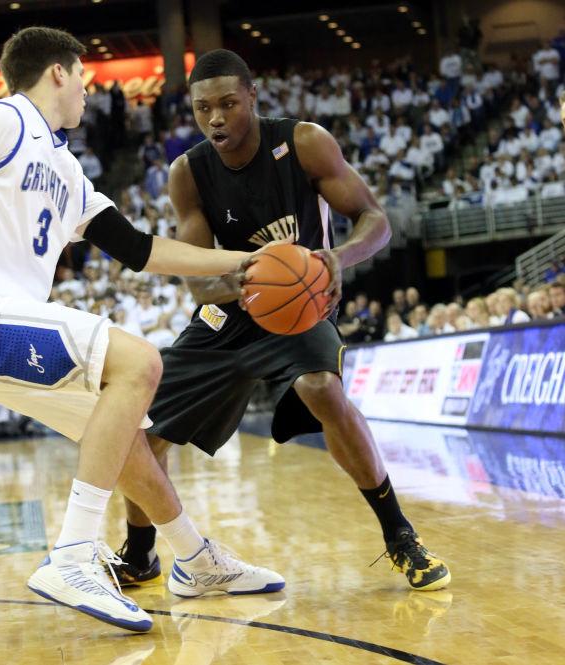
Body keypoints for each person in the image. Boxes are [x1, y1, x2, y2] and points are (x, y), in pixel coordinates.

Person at [0, 27, 282, 633]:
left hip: (3, 320)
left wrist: (239, 262)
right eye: (86, 80)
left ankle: (196, 561)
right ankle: (72, 555)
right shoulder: (0, 122)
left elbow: (141, 250)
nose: (89, 95)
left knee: (129, 443)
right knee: (141, 363)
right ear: (59, 73)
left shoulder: (66, 168)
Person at [114, 49, 450, 593]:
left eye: (227, 104)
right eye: (203, 109)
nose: (216, 118)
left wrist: (340, 257)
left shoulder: (305, 142)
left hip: (302, 302)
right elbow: (197, 278)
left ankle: (400, 535)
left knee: (322, 388)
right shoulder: (189, 172)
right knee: (140, 424)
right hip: (232, 307)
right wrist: (239, 282)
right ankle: (140, 551)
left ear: (252, 95)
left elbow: (376, 219)